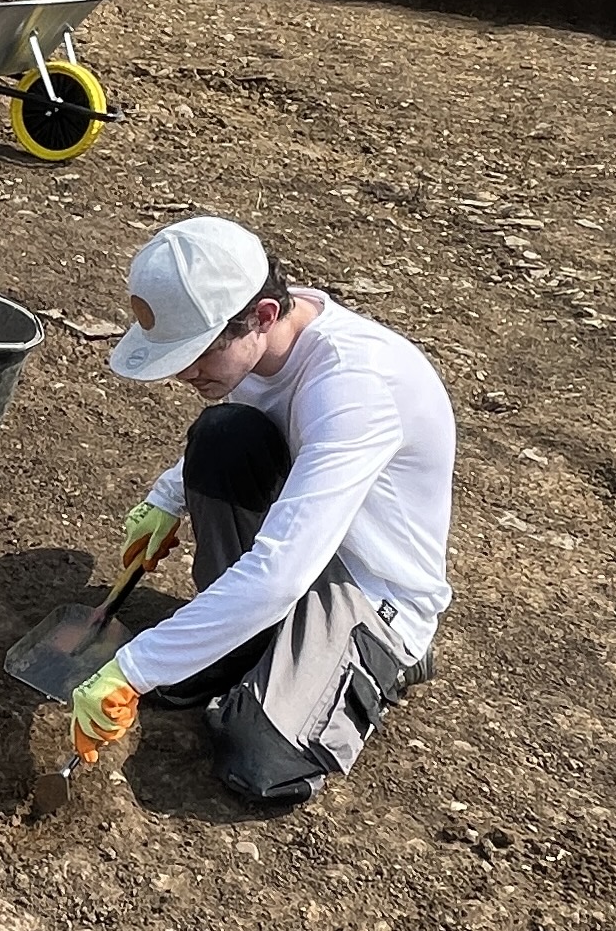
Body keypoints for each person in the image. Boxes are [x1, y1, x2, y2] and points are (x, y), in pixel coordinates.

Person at [67, 216, 455, 802]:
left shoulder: (354, 389)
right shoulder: (266, 347)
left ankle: (390, 661)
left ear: (264, 315)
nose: (184, 373)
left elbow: (279, 573)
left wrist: (135, 668)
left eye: (198, 353)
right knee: (223, 434)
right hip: (306, 541)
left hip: (370, 591)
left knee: (256, 757)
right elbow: (259, 425)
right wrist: (166, 499)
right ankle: (247, 646)